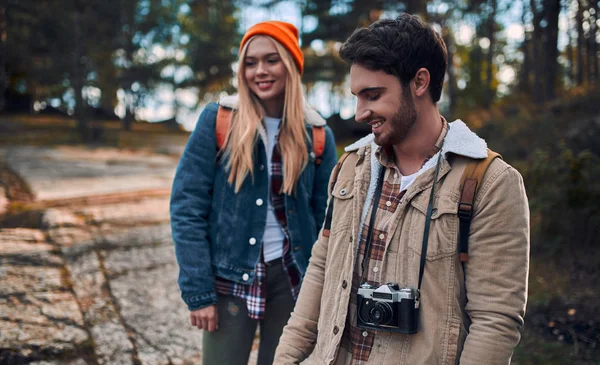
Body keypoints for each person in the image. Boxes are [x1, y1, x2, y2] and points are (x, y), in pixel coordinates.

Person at [274, 14, 529, 365]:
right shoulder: (351, 167)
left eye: (373, 95)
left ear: (419, 82)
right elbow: (321, 268)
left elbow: (495, 321)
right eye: (357, 97)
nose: (360, 112)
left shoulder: (490, 183)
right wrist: (285, 358)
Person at [170, 21, 337, 365]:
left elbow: (328, 223)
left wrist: (325, 294)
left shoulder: (318, 134)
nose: (259, 70)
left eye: (272, 60)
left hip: (294, 282)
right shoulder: (218, 120)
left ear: (291, 65)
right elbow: (187, 208)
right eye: (250, 62)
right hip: (230, 280)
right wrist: (199, 292)